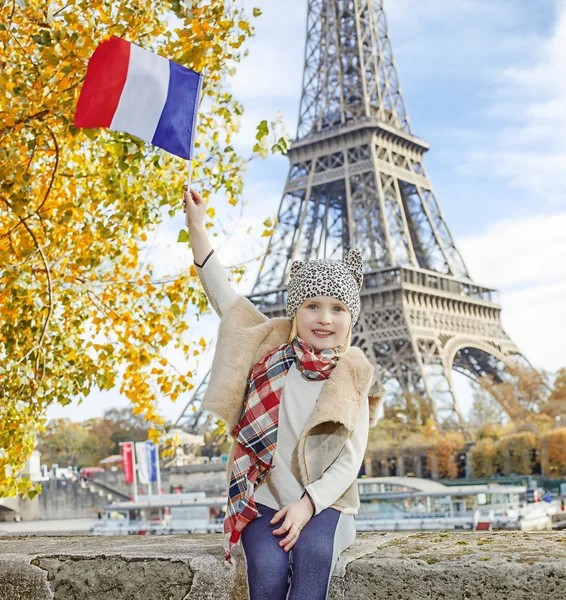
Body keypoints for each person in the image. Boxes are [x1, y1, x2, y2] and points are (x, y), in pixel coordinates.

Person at [183, 188, 385, 600]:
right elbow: (226, 300)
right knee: (267, 569)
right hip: (263, 499)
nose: (324, 318)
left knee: (312, 562)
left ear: (351, 318)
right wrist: (198, 228)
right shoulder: (269, 353)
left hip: (326, 505)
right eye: (312, 305)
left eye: (338, 308)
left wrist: (307, 506)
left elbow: (349, 462)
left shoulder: (353, 374)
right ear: (295, 310)